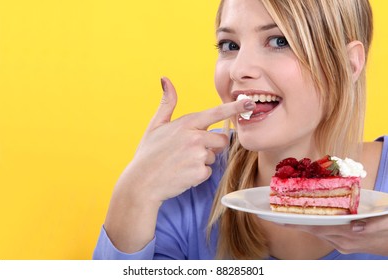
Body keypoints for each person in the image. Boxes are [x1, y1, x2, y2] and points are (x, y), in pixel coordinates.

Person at [93, 0, 388, 260]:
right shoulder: (187, 181)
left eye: (278, 41)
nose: (238, 70)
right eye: (230, 45)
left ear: (349, 64)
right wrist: (134, 190)